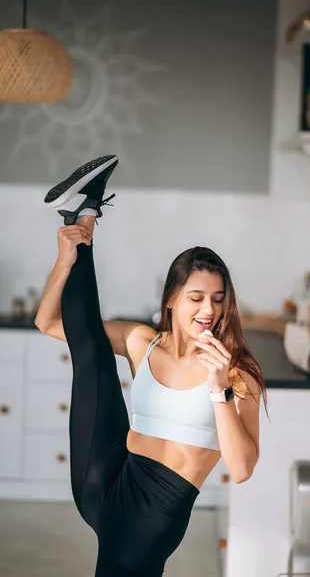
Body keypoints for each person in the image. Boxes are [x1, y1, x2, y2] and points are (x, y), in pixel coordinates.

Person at [35, 155, 267, 577]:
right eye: (197, 297)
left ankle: (83, 210)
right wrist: (65, 261)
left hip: (152, 513)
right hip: (103, 477)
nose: (208, 309)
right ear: (172, 299)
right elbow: (48, 323)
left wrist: (219, 389)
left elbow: (243, 468)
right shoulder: (144, 342)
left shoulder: (235, 372)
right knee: (91, 351)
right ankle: (83, 215)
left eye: (217, 299)